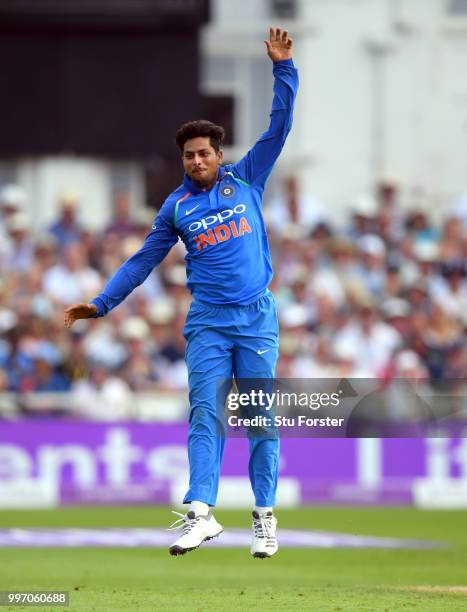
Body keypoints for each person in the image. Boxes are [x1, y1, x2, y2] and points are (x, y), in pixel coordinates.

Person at [64, 28, 298, 559]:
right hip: (209, 322)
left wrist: (283, 69)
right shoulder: (176, 208)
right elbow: (143, 260)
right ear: (183, 160)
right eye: (189, 155)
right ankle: (200, 513)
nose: (196, 161)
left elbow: (279, 126)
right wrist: (101, 303)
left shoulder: (247, 178)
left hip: (256, 317)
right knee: (204, 413)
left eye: (204, 153)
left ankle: (264, 518)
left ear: (219, 154)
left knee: (259, 418)